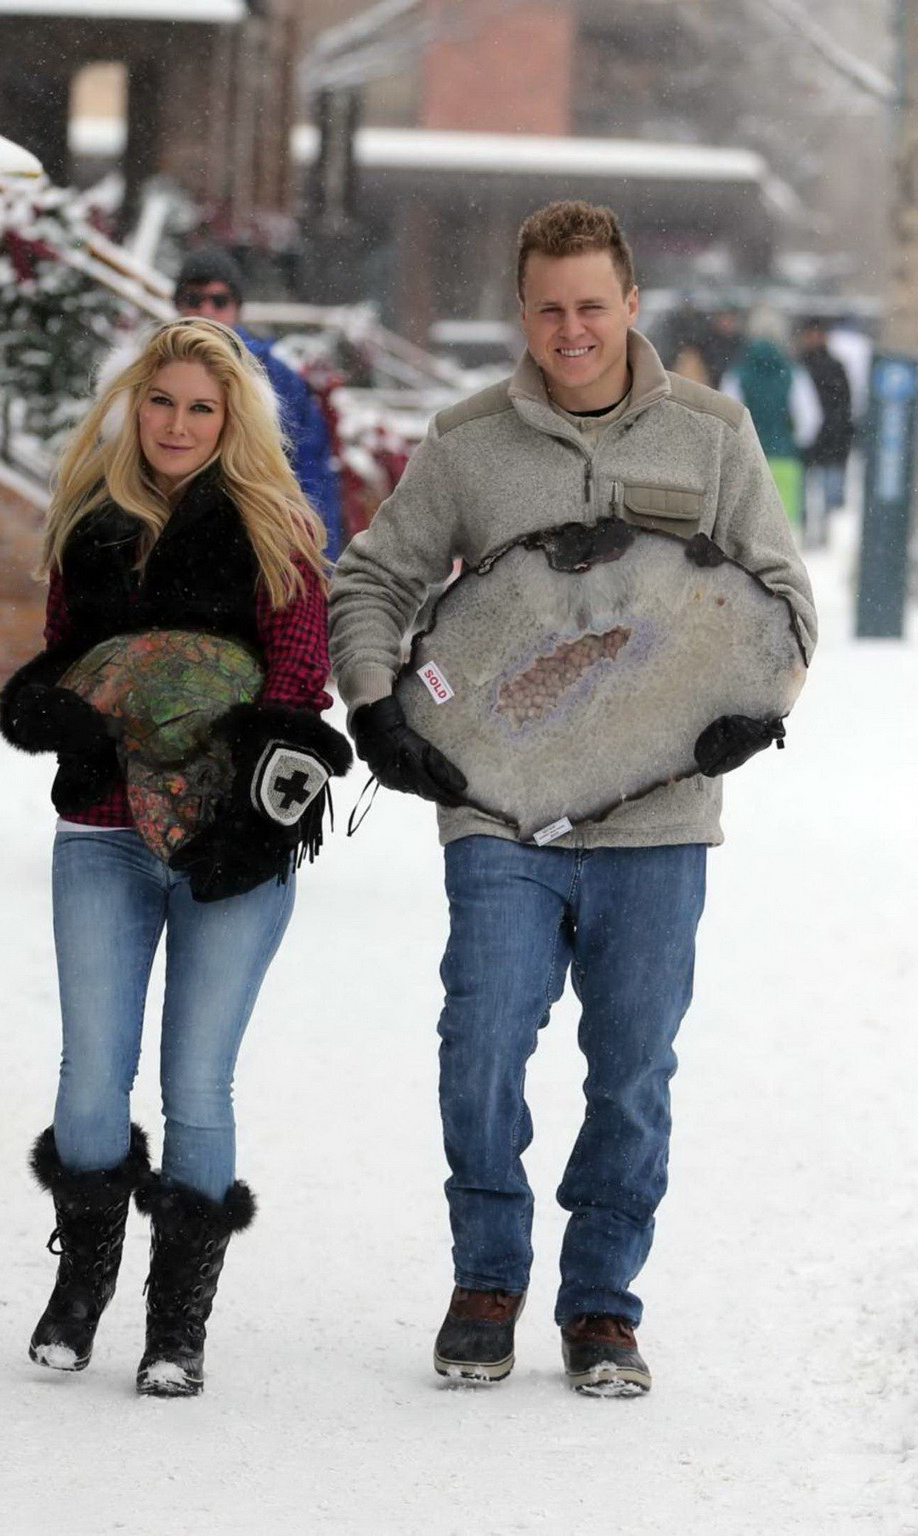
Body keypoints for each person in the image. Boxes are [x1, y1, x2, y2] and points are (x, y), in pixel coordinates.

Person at [329, 200, 816, 1395]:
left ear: (632, 303)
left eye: (592, 304)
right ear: (524, 312)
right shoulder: (466, 443)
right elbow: (372, 581)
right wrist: (377, 708)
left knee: (632, 1069)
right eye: (548, 307)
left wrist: (756, 704)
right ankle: (487, 1277)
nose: (571, 329)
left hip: (657, 821)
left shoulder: (712, 437)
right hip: (496, 805)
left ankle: (602, 1302)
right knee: (481, 1047)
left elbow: (783, 599)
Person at [0, 318, 351, 1398]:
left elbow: (298, 683)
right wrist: (53, 710)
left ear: (231, 417)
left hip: (231, 838)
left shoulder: (276, 532)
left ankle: (178, 1323)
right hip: (101, 832)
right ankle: (83, 1284)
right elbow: (61, 656)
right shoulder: (91, 526)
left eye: (203, 406)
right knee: (91, 1074)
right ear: (134, 405)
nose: (179, 423)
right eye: (163, 402)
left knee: (198, 1081)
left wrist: (258, 817)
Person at [175, 247, 342, 561]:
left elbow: (310, 472)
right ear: (178, 305)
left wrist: (316, 561)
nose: (206, 310)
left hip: (256, 547)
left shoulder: (277, 378)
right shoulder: (152, 369)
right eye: (194, 299)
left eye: (219, 300)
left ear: (237, 307)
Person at [721, 305, 821, 532]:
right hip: (785, 458)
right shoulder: (794, 373)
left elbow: (726, 418)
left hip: (748, 460)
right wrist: (794, 442)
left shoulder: (737, 374)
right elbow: (810, 418)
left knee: (746, 529)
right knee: (784, 530)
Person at [796, 316, 854, 547]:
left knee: (824, 492)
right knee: (807, 492)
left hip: (829, 439)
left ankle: (822, 533)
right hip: (813, 440)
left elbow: (844, 404)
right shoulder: (800, 364)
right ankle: (810, 532)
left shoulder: (833, 366)